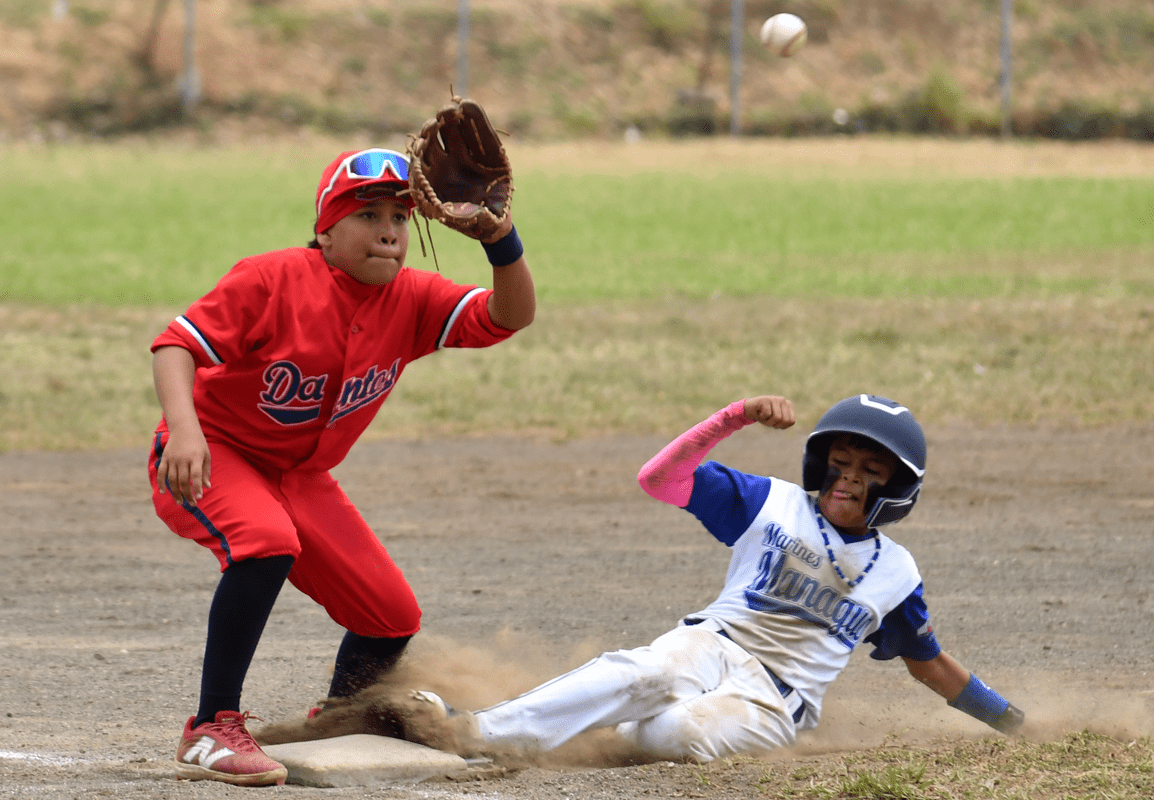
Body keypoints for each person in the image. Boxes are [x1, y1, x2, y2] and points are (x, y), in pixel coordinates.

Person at [148, 146, 536, 786]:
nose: (388, 229)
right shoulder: (272, 278)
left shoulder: (410, 298)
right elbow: (176, 345)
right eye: (368, 214)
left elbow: (508, 316)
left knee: (390, 616)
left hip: (300, 478)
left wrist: (502, 240)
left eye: (399, 217)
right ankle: (210, 728)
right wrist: (184, 431)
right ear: (326, 229)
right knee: (265, 542)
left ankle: (339, 716)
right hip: (215, 451)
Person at [386, 393, 1025, 763]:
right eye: (840, 462)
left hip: (777, 702)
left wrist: (1013, 723)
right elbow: (657, 479)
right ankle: (475, 731)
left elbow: (929, 664)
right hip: (712, 642)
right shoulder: (771, 503)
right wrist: (734, 417)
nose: (849, 477)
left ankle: (585, 724)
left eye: (871, 469)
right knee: (647, 673)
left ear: (899, 489)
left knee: (675, 731)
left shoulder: (897, 573)